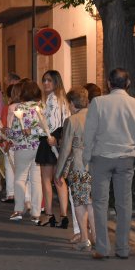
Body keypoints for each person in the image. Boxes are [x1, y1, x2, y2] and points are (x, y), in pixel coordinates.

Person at [83, 68, 135, 259]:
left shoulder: (98, 103)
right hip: (126, 158)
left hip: (101, 158)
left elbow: (90, 133)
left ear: (108, 83)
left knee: (100, 203)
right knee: (124, 204)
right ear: (127, 84)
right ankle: (123, 248)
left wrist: (86, 157)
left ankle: (103, 248)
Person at [55, 88, 95, 251]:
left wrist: (58, 173)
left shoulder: (72, 120)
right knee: (92, 203)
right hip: (96, 166)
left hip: (79, 167)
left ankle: (84, 239)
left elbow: (65, 149)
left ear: (72, 103)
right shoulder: (96, 117)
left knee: (79, 203)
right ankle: (98, 238)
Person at [36, 70, 71, 228]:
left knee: (46, 180)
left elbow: (48, 125)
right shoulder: (64, 99)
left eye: (49, 80)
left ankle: (49, 214)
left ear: (56, 82)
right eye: (44, 81)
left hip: (49, 139)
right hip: (61, 140)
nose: (45, 83)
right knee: (59, 179)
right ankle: (64, 215)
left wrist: (34, 129)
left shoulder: (51, 99)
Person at [7, 80, 44, 224]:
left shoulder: (20, 108)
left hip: (22, 147)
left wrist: (7, 133)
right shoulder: (41, 106)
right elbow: (46, 127)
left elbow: (15, 132)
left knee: (20, 178)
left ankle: (18, 210)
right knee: (36, 180)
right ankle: (36, 213)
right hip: (38, 147)